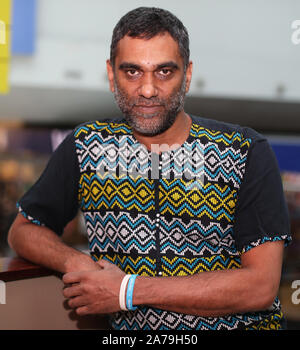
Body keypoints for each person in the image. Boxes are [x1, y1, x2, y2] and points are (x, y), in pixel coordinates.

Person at [8, 7, 291, 330]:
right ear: (111, 74)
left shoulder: (245, 150)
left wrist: (128, 290)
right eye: (132, 72)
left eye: (164, 72)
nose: (147, 89)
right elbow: (24, 230)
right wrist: (78, 263)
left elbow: (261, 287)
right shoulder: (86, 145)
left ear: (187, 75)